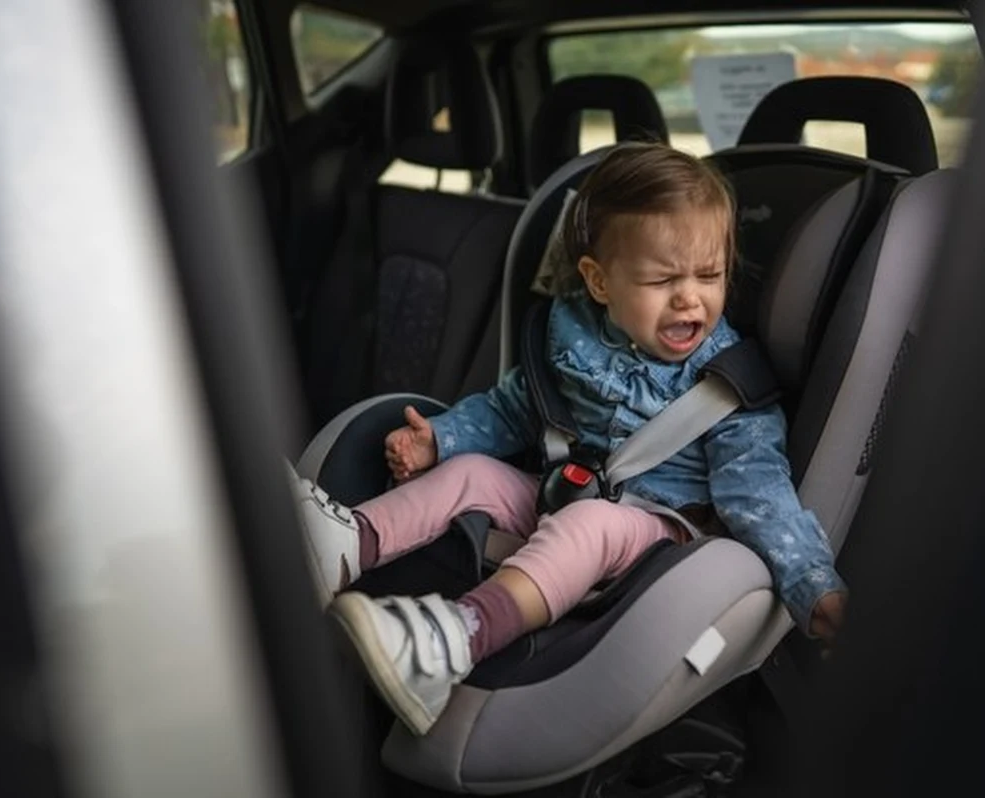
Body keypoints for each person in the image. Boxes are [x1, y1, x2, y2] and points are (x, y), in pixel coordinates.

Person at [292, 142, 848, 736]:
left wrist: (812, 584)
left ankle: (452, 640)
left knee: (591, 526)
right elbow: (515, 410)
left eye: (710, 276)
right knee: (471, 474)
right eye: (662, 279)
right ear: (600, 282)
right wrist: (442, 439)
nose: (691, 297)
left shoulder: (729, 383)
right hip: (562, 491)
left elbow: (760, 494)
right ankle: (345, 542)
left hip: (659, 534)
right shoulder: (570, 334)